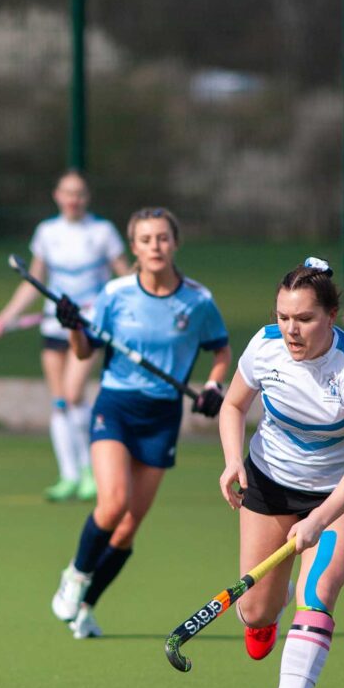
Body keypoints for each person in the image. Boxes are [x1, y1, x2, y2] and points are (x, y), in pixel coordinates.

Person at [218, 258, 344, 688]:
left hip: (337, 497)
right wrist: (233, 462)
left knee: (319, 590)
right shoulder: (265, 345)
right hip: (268, 484)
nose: (291, 329)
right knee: (256, 609)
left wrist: (317, 519)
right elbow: (233, 406)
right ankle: (267, 611)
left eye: (304, 319)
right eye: (284, 316)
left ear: (332, 316)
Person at [50, 207, 231, 639]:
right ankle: (75, 577)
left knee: (129, 526)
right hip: (116, 407)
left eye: (163, 238)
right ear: (134, 247)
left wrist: (213, 387)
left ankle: (86, 608)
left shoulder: (197, 300)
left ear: (175, 243)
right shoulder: (115, 294)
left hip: (163, 415)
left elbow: (220, 351)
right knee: (112, 504)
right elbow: (82, 352)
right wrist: (74, 327)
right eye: (146, 239)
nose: (155, 246)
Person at [0, 170, 130, 502]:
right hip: (53, 324)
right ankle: (69, 474)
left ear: (87, 197)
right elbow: (34, 281)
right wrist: (6, 318)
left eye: (79, 193)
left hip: (89, 325)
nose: (73, 199)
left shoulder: (102, 232)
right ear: (57, 195)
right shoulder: (47, 232)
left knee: (74, 391)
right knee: (61, 400)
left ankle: (91, 469)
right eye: (68, 193)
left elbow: (125, 277)